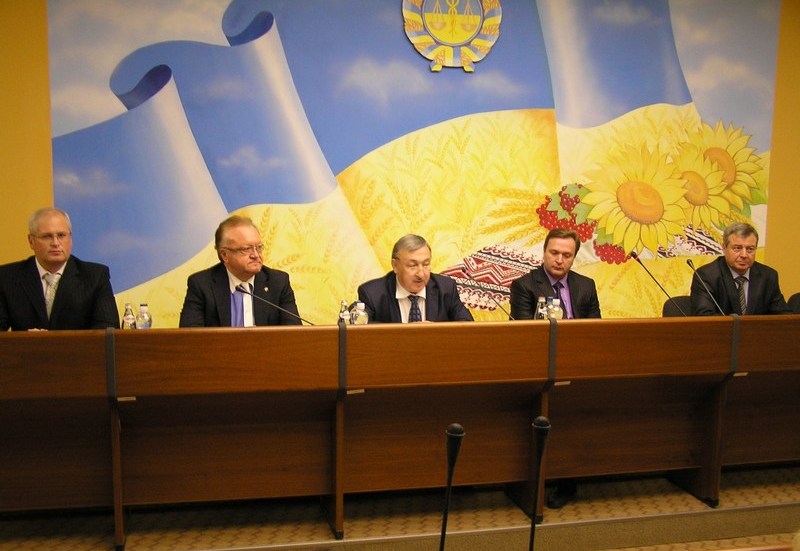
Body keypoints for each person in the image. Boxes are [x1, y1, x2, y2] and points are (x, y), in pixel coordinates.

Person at [510, 227, 601, 509]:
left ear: (574, 257)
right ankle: (534, 482)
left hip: (577, 366)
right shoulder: (524, 286)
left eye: (566, 255)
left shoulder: (585, 286)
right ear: (544, 252)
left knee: (577, 417)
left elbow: (595, 330)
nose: (559, 260)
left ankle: (567, 481)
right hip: (539, 367)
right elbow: (524, 336)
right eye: (554, 253)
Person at [0, 207, 118, 331]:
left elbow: (108, 328)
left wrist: (58, 341)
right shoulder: (7, 278)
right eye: (47, 236)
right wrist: (28, 339)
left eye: (61, 235)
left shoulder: (95, 276)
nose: (55, 243)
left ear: (70, 239)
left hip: (76, 345)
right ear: (31, 241)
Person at [179, 215, 302, 327]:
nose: (255, 255)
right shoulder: (202, 285)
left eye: (259, 247)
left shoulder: (278, 282)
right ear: (224, 255)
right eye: (246, 249)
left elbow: (294, 335)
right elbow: (190, 337)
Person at [357, 234, 473, 323]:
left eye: (426, 264)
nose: (421, 274)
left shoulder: (446, 289)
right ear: (395, 265)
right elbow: (362, 331)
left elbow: (467, 327)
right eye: (412, 265)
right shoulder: (372, 294)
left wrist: (436, 333)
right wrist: (407, 334)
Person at [690, 222, 791, 316]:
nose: (744, 255)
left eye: (750, 249)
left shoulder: (768, 276)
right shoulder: (706, 276)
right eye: (737, 248)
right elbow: (704, 317)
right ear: (724, 248)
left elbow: (784, 317)